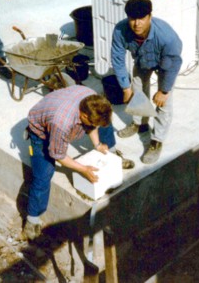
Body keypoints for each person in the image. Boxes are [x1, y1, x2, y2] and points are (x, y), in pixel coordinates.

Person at [24, 85, 133, 240]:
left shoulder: (93, 98)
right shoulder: (61, 123)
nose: (92, 126)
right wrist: (82, 169)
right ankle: (32, 219)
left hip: (59, 110)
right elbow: (58, 155)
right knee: (43, 175)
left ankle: (113, 153)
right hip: (40, 129)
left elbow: (92, 125)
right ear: (83, 116)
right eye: (90, 123)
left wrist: (97, 145)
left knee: (105, 127)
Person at [111, 0, 182, 164]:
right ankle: (140, 123)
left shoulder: (167, 37)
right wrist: (125, 87)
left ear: (150, 16)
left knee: (163, 104)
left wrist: (164, 91)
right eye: (132, 18)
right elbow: (118, 59)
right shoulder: (120, 30)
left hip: (166, 64)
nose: (137, 23)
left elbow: (172, 64)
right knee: (136, 91)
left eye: (141, 18)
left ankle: (157, 140)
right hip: (142, 61)